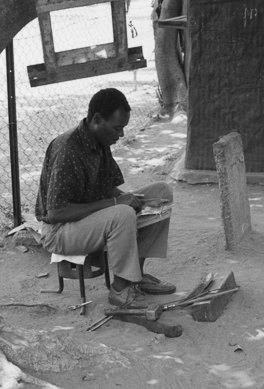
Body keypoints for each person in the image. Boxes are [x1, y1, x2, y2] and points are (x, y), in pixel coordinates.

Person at [35, 88, 176, 309]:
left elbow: (108, 187)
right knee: (122, 214)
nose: (120, 135)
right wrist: (117, 204)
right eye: (117, 128)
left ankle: (135, 278)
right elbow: (56, 213)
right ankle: (120, 290)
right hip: (60, 231)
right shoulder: (67, 149)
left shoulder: (100, 141)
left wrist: (130, 198)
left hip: (86, 219)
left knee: (162, 193)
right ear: (97, 119)